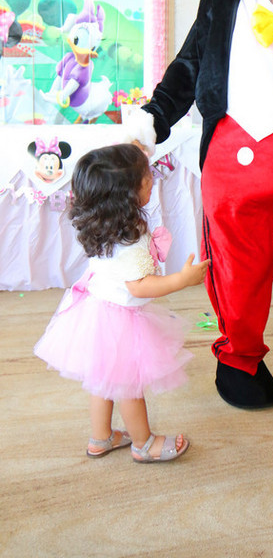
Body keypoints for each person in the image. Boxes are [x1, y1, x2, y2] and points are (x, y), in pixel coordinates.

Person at [34, 144, 210, 463]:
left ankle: (100, 438)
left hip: (96, 311)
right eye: (145, 176)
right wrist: (182, 280)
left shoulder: (100, 222)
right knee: (129, 385)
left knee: (102, 381)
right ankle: (144, 444)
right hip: (119, 320)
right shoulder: (131, 237)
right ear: (126, 193)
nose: (151, 180)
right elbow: (139, 286)